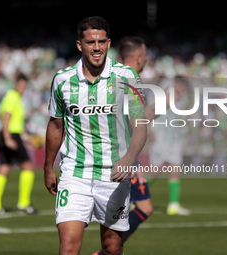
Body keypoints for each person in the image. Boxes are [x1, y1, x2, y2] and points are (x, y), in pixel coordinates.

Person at [44, 16, 147, 255]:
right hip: (74, 173)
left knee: (112, 247)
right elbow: (55, 126)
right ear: (80, 45)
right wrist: (49, 167)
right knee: (68, 247)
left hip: (113, 175)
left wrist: (129, 157)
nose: (97, 47)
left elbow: (140, 125)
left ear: (109, 43)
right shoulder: (62, 80)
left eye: (102, 41)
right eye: (91, 42)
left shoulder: (127, 76)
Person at [93, 36, 153, 255]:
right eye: (146, 56)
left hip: (117, 154)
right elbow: (135, 122)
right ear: (138, 57)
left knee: (137, 209)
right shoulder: (130, 78)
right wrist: (157, 109)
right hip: (124, 156)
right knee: (139, 209)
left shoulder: (108, 76)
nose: (146, 59)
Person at [0, 73, 36, 214]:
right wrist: (8, 138)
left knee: (4, 168)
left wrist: (24, 136)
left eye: (24, 87)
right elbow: (7, 117)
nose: (22, 89)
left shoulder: (14, 97)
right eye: (21, 86)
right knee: (28, 168)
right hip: (10, 135)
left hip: (9, 134)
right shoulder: (12, 97)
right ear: (16, 85)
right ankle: (23, 204)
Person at [147, 77, 190, 215]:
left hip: (173, 139)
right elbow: (149, 112)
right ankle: (132, 197)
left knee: (175, 169)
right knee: (153, 173)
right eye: (182, 85)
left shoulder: (181, 98)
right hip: (161, 139)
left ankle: (173, 205)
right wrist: (151, 130)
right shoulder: (162, 93)